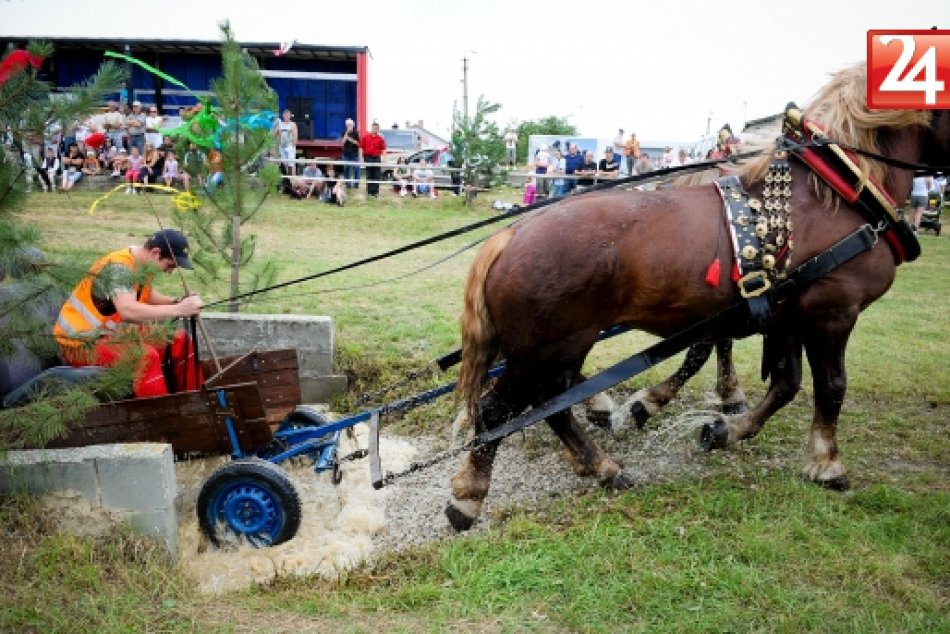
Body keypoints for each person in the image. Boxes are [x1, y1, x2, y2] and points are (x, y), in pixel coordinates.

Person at [52, 229, 204, 398]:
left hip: (104, 336)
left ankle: (195, 401)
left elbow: (144, 295)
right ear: (156, 253)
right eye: (170, 265)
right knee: (145, 356)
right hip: (79, 345)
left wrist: (176, 302)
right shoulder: (119, 268)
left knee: (178, 340)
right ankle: (158, 416)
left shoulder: (140, 264)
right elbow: (128, 310)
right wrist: (179, 310)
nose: (169, 271)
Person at [359, 121, 386, 198]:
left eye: (377, 128)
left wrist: (384, 158)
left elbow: (383, 149)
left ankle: (376, 192)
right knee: (369, 175)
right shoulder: (365, 137)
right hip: (368, 157)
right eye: (374, 128)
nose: (375, 129)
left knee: (376, 175)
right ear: (371, 128)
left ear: (378, 129)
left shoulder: (380, 139)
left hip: (376, 158)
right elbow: (361, 148)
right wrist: (361, 158)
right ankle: (369, 192)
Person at [276, 109, 298, 176]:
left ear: (290, 116)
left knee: (291, 164)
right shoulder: (280, 125)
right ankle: (286, 178)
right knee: (284, 163)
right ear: (283, 115)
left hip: (289, 146)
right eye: (285, 115)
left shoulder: (292, 125)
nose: (286, 116)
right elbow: (275, 133)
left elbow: (295, 136)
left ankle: (291, 178)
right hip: (282, 146)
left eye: (288, 115)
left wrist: (292, 146)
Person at [341, 117, 361, 188]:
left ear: (353, 125)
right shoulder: (344, 132)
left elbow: (358, 143)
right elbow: (343, 142)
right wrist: (346, 133)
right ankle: (348, 184)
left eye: (350, 125)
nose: (349, 126)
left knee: (356, 168)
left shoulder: (356, 132)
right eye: (348, 125)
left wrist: (350, 139)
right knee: (346, 168)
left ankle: (356, 184)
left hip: (355, 154)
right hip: (346, 154)